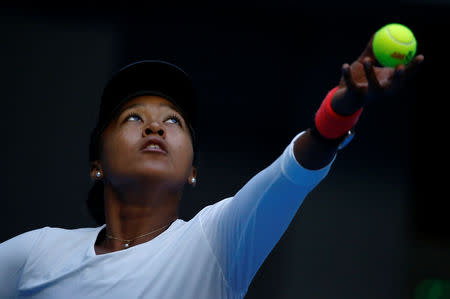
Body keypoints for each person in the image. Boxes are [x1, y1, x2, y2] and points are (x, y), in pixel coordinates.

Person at [0, 36, 423, 298]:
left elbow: (292, 173)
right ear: (97, 164)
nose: (154, 127)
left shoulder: (213, 242)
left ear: (192, 171)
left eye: (173, 121)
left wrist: (342, 106)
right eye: (132, 118)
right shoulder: (34, 253)